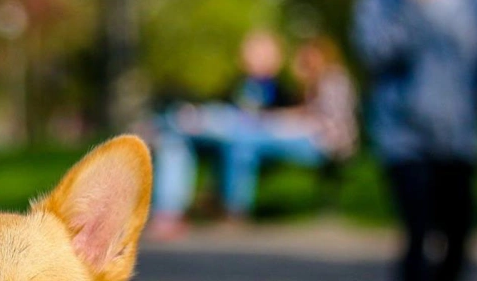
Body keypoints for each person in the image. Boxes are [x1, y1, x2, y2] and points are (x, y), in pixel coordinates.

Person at [354, 0, 477, 281]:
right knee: (419, 232)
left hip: (458, 138)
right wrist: (412, 11)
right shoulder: (383, 5)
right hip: (404, 138)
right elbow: (375, 52)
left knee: (458, 240)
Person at [150, 31, 357, 238]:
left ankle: (229, 208)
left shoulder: (325, 80)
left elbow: (322, 123)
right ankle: (170, 212)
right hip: (238, 133)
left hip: (323, 143)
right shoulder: (240, 83)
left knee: (241, 139)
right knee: (177, 139)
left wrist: (279, 119)